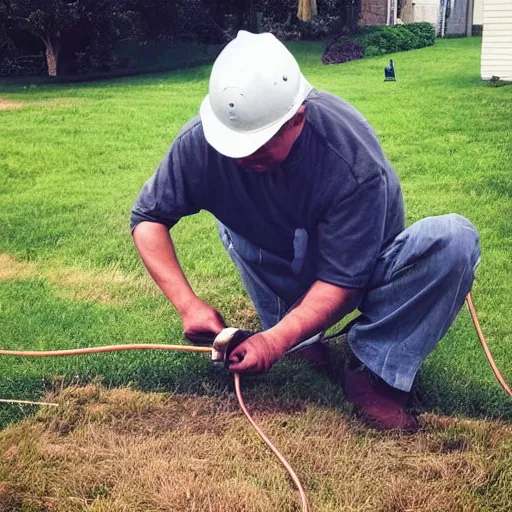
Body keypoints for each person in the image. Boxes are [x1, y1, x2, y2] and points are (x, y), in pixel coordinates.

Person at [130, 31, 480, 432]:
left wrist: (273, 341)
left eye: (258, 147)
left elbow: (342, 279)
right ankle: (303, 342)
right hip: (280, 253)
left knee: (455, 240)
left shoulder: (349, 159)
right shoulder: (202, 142)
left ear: (298, 117)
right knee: (237, 232)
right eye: (234, 147)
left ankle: (372, 367)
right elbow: (148, 219)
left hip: (365, 267)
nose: (242, 157)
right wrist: (187, 304)